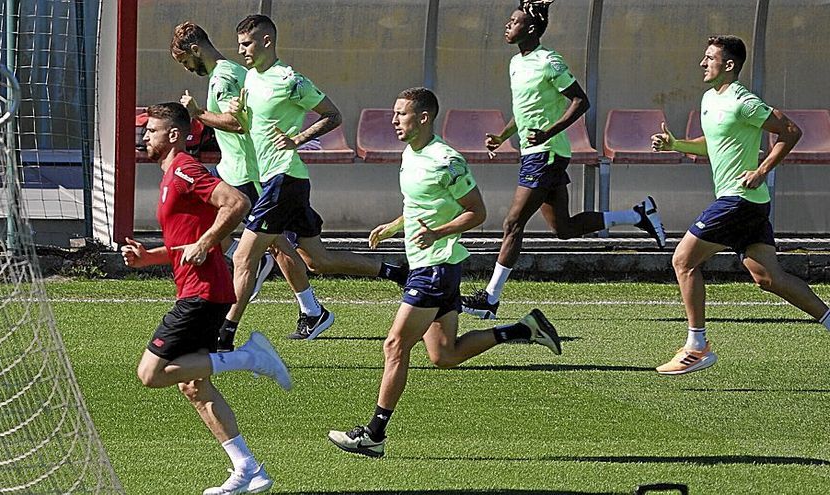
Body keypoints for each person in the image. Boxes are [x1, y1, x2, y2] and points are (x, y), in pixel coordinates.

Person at [327, 87, 562, 458]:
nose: (394, 121)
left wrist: (438, 233)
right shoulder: (409, 154)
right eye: (394, 113)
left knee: (394, 345)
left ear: (423, 117)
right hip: (431, 264)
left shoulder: (446, 161)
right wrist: (394, 226)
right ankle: (523, 329)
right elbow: (422, 204)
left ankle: (374, 434)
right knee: (444, 355)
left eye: (401, 114)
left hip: (435, 267)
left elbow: (477, 212)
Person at [123, 102, 292, 494]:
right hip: (199, 289)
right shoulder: (170, 176)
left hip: (204, 292)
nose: (145, 136)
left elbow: (238, 203)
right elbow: (185, 241)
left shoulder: (184, 168)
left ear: (174, 135)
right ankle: (248, 469)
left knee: (149, 374)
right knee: (194, 386)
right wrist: (150, 257)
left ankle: (250, 357)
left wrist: (207, 241)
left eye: (151, 130)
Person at [461, 0, 666, 320]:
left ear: (529, 29)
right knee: (564, 228)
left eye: (513, 21)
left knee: (513, 223)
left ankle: (490, 299)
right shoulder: (516, 63)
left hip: (548, 154)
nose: (506, 25)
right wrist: (503, 136)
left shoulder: (549, 61)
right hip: (535, 153)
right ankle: (638, 215)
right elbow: (524, 110)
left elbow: (580, 101)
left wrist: (548, 133)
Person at [650, 35, 830, 374]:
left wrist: (762, 170)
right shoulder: (708, 99)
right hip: (748, 204)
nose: (702, 64)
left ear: (728, 65)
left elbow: (791, 131)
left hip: (739, 200)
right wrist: (676, 144)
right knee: (769, 277)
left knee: (683, 260)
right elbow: (713, 143)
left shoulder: (743, 100)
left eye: (709, 58)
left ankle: (697, 346)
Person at [227, 14, 408, 338]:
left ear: (267, 41)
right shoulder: (251, 78)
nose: (242, 51)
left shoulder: (290, 80)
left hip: (286, 179)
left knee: (243, 256)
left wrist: (298, 139)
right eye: (240, 45)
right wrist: (237, 113)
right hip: (275, 181)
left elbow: (333, 114)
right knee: (317, 260)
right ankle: (395, 272)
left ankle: (223, 335)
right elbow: (251, 125)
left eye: (247, 44)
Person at [170, 21, 334, 348]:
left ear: (195, 50)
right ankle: (310, 309)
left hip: (246, 173)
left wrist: (198, 114)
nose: (188, 70)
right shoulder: (235, 71)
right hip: (235, 170)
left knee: (266, 247)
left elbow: (239, 124)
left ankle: (233, 318)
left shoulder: (224, 77)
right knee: (283, 246)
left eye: (186, 62)